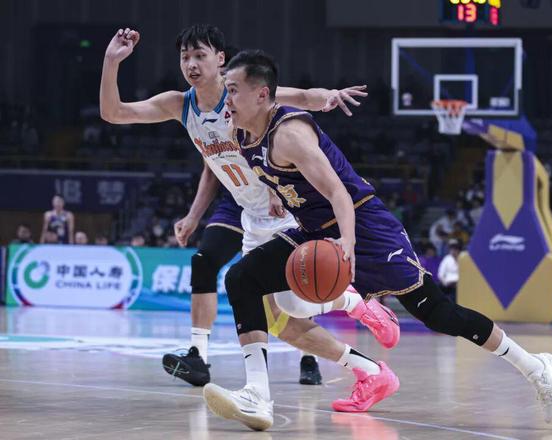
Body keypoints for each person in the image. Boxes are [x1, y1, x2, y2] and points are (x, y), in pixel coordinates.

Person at [202, 50, 552, 431]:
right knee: (242, 278)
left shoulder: (290, 135)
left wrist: (347, 243)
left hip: (364, 225)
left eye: (233, 90)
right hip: (314, 229)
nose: (227, 98)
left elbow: (339, 194)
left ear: (262, 94)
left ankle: (535, 368)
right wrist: (276, 191)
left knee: (438, 313)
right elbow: (285, 131)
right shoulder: (240, 130)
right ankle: (257, 395)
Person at [100, 25, 397, 388]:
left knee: (289, 300)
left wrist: (330, 96)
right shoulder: (180, 105)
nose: (191, 64)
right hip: (252, 218)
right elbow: (114, 113)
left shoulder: (243, 94)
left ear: (220, 59)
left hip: (288, 211)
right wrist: (111, 62)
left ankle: (261, 386)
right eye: (185, 57)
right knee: (281, 321)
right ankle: (365, 360)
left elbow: (302, 97)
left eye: (200, 55)